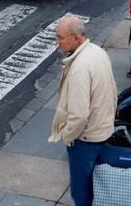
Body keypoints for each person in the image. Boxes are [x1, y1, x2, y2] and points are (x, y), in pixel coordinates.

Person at [49, 16, 117, 206]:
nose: (58, 41)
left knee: (81, 192)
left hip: (85, 139)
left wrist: (68, 136)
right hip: (102, 129)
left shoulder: (79, 67)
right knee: (98, 186)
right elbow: (113, 91)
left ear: (76, 38)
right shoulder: (98, 52)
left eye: (61, 37)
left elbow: (78, 115)